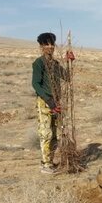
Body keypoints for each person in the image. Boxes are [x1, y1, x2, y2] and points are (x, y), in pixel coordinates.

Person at [31, 32, 75, 174]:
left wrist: (70, 63)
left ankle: (50, 161)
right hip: (45, 102)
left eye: (51, 44)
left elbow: (67, 78)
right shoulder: (39, 63)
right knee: (46, 133)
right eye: (46, 44)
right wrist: (48, 100)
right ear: (41, 46)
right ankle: (45, 164)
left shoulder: (55, 64)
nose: (49, 47)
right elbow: (35, 84)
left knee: (55, 134)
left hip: (56, 101)